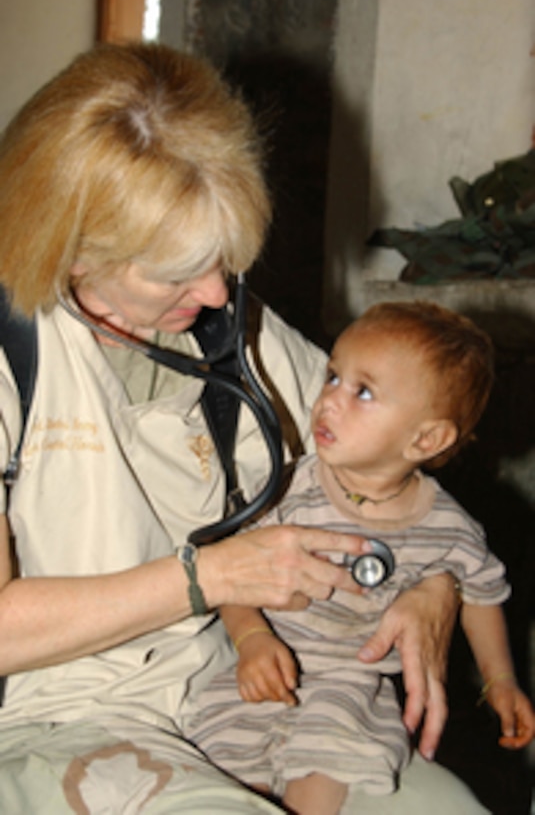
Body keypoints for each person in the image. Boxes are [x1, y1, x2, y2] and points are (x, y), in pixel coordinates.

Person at [0, 41, 489, 813]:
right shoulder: (13, 357)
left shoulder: (226, 327)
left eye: (223, 257)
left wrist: (433, 584)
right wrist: (208, 578)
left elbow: (377, 466)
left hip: (241, 693)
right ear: (70, 247)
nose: (215, 290)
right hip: (55, 717)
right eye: (174, 270)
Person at [185, 301, 535, 814]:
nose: (329, 401)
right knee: (231, 779)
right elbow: (232, 570)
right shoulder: (288, 490)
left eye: (362, 391)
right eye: (332, 377)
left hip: (353, 685)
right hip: (260, 667)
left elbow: (482, 596)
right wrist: (252, 637)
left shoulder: (450, 528)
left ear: (427, 438)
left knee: (323, 775)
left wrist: (500, 680)